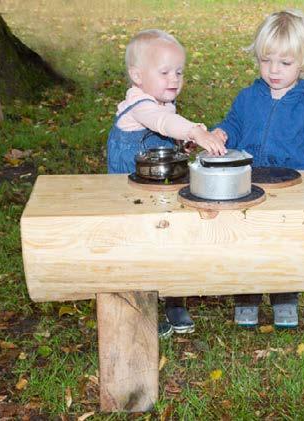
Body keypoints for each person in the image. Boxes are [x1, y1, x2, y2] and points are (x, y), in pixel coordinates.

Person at [212, 9, 304, 329]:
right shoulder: (247, 98)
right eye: (266, 60)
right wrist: (221, 132)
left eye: (284, 64)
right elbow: (233, 123)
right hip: (250, 186)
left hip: (290, 188)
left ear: (303, 63)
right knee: (249, 243)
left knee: (285, 244)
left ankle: (285, 297)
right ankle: (247, 296)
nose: (273, 70)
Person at [106, 29, 227, 338]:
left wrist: (183, 147)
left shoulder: (162, 103)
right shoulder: (139, 106)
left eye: (179, 71)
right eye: (164, 72)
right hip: (131, 194)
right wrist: (196, 132)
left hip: (159, 188)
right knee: (137, 247)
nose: (174, 78)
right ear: (137, 75)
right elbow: (162, 123)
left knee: (171, 238)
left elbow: (168, 131)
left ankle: (174, 298)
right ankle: (141, 307)